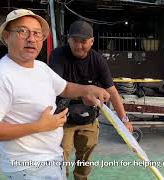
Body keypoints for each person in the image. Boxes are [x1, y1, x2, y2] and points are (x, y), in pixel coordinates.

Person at [0, 9, 110, 180]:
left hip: (51, 160)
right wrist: (39, 126)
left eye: (37, 33)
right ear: (6, 36)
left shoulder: (40, 67)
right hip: (27, 169)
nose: (32, 38)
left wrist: (86, 90)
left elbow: (64, 87)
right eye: (23, 31)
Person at [49, 20, 133, 179]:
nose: (79, 46)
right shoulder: (57, 55)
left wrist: (124, 119)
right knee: (60, 158)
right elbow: (56, 87)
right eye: (75, 41)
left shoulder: (98, 60)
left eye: (84, 41)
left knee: (84, 160)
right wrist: (84, 94)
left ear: (92, 41)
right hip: (61, 119)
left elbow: (113, 92)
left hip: (88, 119)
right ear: (68, 39)